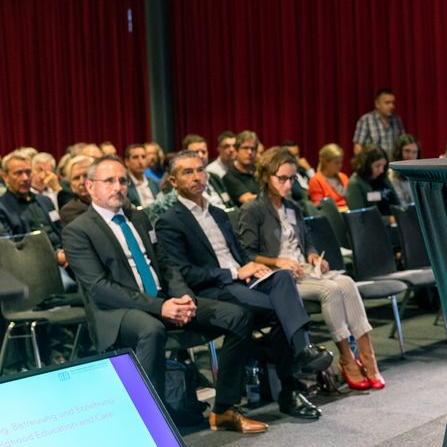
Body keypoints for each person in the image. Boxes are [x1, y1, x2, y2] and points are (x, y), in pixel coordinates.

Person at [62, 156, 268, 434]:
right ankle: (148, 424)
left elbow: (167, 265)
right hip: (115, 311)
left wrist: (183, 298)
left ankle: (224, 410)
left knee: (238, 316)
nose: (118, 187)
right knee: (152, 330)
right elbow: (100, 288)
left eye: (122, 180)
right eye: (109, 181)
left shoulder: (139, 216)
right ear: (90, 187)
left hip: (163, 301)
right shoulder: (78, 230)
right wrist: (161, 307)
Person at [155, 150, 333, 419]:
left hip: (245, 280)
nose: (196, 177)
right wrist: (235, 273)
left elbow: (240, 253)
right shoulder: (169, 221)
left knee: (283, 277)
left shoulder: (219, 213)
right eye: (187, 172)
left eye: (200, 170)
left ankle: (300, 354)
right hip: (218, 287)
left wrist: (256, 267)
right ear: (173, 181)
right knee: (281, 312)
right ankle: (292, 384)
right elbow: (185, 272)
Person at [238, 147, 386, 390]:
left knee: (347, 282)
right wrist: (278, 262)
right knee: (330, 290)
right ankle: (348, 358)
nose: (287, 184)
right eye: (281, 178)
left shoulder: (293, 207)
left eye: (291, 178)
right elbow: (247, 253)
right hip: (279, 278)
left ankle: (369, 357)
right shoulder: (253, 210)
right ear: (265, 177)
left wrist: (315, 257)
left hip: (304, 270)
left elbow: (307, 242)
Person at [0, 151, 73, 291]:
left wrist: (69, 252)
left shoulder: (45, 201)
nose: (26, 178)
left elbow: (61, 230)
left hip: (66, 257)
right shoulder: (2, 208)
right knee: (68, 286)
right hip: (34, 267)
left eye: (28, 172)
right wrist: (54, 258)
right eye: (18, 173)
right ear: (5, 176)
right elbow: (10, 248)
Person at [345, 144, 399, 217]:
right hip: (374, 226)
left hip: (394, 223)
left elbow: (397, 204)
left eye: (383, 165)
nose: (381, 170)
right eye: (377, 166)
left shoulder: (383, 177)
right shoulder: (355, 183)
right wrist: (389, 220)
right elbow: (360, 217)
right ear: (366, 165)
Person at [352, 88, 406, 156]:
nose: (392, 106)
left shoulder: (397, 120)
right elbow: (357, 148)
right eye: (387, 103)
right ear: (377, 104)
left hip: (393, 164)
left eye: (393, 103)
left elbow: (403, 143)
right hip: (374, 164)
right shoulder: (366, 120)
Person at [223, 130, 261, 206]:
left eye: (252, 149)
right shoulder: (230, 176)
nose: (249, 152)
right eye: (245, 148)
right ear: (236, 151)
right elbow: (248, 199)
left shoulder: (260, 171)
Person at [307, 143, 349, 209]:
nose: (340, 166)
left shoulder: (343, 177)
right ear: (325, 162)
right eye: (336, 163)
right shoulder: (316, 180)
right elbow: (319, 208)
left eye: (341, 162)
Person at [59, 155, 94, 226]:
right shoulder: (69, 211)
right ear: (71, 185)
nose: (82, 182)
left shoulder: (111, 201)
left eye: (86, 175)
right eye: (76, 178)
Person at [387, 134, 420, 207]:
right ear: (399, 152)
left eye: (414, 152)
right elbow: (401, 205)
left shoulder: (419, 173)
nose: (411, 156)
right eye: (407, 151)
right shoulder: (392, 174)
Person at [125, 144, 161, 208]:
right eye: (135, 157)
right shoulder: (124, 185)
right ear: (127, 162)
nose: (140, 161)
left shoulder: (154, 183)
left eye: (143, 157)